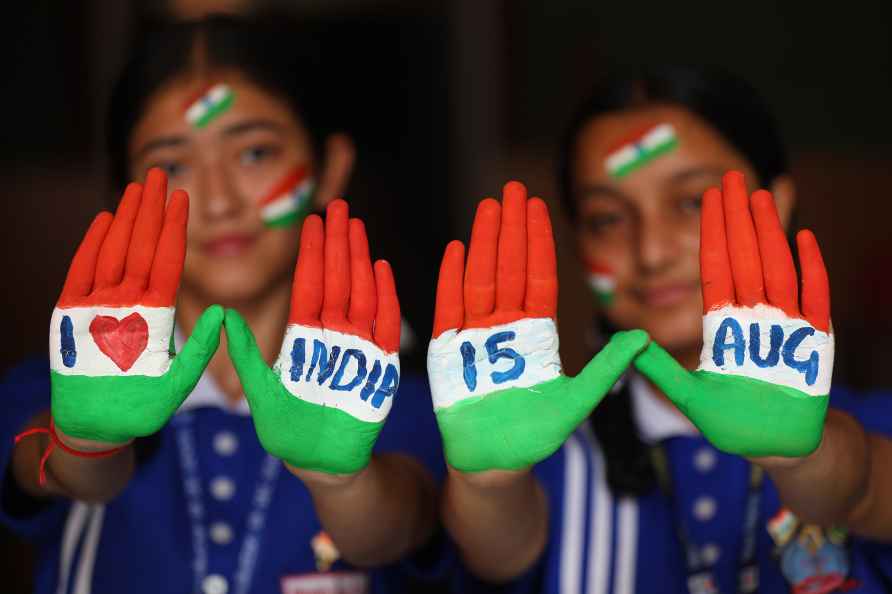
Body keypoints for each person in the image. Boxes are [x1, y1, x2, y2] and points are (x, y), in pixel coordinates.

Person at [1, 14, 445, 594]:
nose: (216, 202)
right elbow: (51, 468)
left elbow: (395, 528)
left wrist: (342, 481)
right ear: (122, 192)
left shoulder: (410, 397)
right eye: (172, 166)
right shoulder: (48, 385)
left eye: (255, 153)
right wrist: (84, 443)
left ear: (329, 168)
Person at [432, 67, 892, 593]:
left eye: (693, 203)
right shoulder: (547, 447)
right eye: (607, 219)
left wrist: (806, 456)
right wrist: (486, 486)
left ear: (779, 203)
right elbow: (497, 551)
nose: (651, 252)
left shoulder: (876, 424)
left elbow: (862, 492)